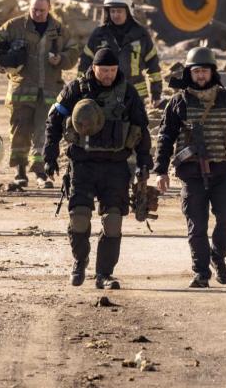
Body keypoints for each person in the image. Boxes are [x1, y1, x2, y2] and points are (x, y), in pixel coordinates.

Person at [44, 47, 151, 289]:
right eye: (104, 70)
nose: (108, 75)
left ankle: (104, 274)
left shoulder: (128, 93)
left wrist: (145, 161)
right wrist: (49, 151)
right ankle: (80, 261)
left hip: (116, 167)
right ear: (94, 68)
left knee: (113, 222)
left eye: (112, 71)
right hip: (83, 164)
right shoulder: (76, 89)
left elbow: (141, 129)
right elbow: (54, 119)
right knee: (79, 218)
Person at [155, 47, 226, 288]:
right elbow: (165, 137)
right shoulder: (178, 102)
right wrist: (160, 171)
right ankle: (201, 272)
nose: (200, 76)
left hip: (223, 173)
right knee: (197, 225)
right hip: (191, 175)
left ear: (212, 72)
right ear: (189, 73)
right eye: (196, 71)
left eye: (204, 71)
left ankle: (218, 255)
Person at [0, 0, 78, 190]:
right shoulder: (15, 26)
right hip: (21, 91)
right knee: (19, 132)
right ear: (29, 7)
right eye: (34, 9)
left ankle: (41, 173)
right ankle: (20, 172)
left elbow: (73, 52)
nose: (37, 13)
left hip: (49, 92)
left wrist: (60, 58)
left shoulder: (59, 30)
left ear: (49, 8)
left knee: (43, 132)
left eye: (42, 10)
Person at [78, 0, 162, 104]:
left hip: (134, 95)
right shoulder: (99, 35)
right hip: (104, 95)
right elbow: (85, 64)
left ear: (128, 11)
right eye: (112, 11)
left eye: (119, 11)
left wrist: (156, 93)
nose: (115, 15)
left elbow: (153, 65)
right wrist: (82, 89)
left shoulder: (141, 34)